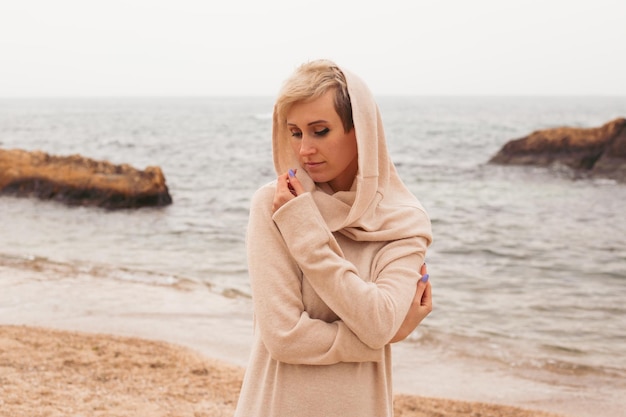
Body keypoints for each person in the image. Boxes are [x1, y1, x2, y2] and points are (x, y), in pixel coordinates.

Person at [234, 60, 433, 417]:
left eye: (320, 131)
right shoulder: (277, 205)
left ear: (362, 132)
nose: (304, 149)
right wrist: (380, 341)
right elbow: (284, 337)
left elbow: (378, 321)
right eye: (295, 132)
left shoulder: (404, 222)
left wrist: (306, 236)